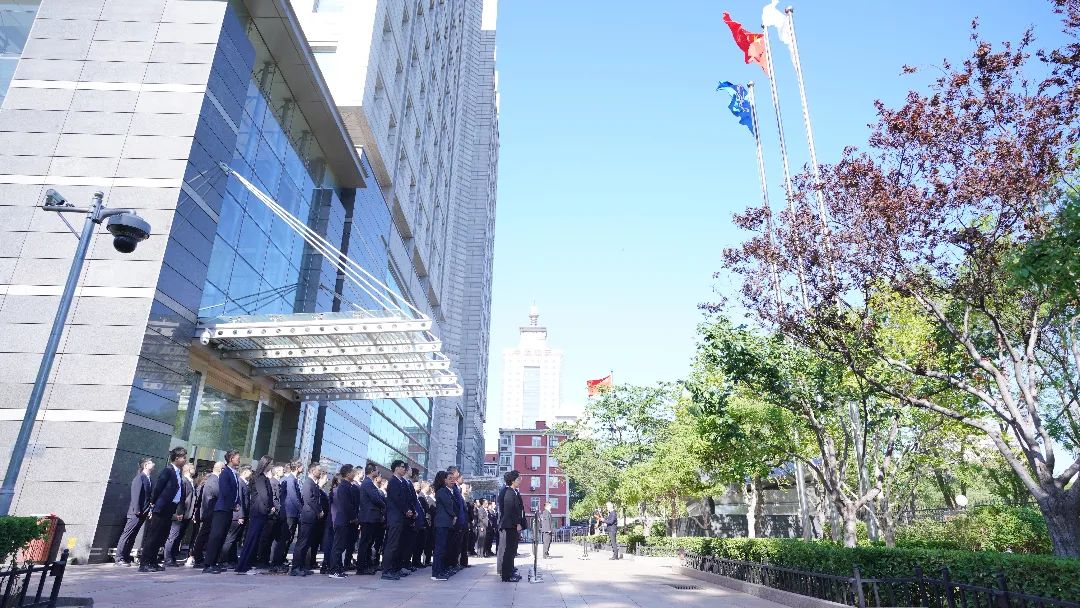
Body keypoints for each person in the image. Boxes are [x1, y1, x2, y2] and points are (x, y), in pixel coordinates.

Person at [139, 447, 189, 572]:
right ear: (176, 458)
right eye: (183, 457)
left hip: (170, 508)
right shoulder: (168, 470)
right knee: (154, 536)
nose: (185, 460)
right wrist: (153, 503)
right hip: (161, 507)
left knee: (161, 536)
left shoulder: (178, 472)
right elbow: (158, 487)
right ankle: (145, 563)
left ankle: (153, 561)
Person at [202, 450, 242, 574]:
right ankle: (208, 564)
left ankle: (214, 562)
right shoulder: (225, 473)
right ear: (231, 458)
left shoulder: (234, 473)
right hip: (222, 509)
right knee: (216, 536)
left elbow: (235, 492)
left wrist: (237, 503)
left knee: (222, 536)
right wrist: (233, 504)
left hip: (228, 509)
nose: (239, 460)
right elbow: (225, 491)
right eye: (237, 458)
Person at [236, 456, 276, 574]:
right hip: (258, 512)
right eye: (271, 463)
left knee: (255, 539)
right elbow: (264, 494)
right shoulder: (259, 477)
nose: (272, 466)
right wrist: (270, 506)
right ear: (266, 464)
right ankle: (243, 566)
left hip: (260, 512)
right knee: (252, 539)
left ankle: (248, 565)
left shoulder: (262, 477)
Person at [114, 457, 154, 566]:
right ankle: (119, 558)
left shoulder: (148, 478)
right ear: (145, 465)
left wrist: (148, 510)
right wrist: (137, 510)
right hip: (136, 513)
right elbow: (136, 495)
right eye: (151, 463)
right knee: (127, 535)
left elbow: (148, 497)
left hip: (143, 513)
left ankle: (126, 557)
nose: (153, 464)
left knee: (133, 536)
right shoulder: (139, 478)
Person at [381, 459, 415, 581]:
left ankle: (395, 568)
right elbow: (397, 499)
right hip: (395, 517)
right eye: (402, 467)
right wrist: (406, 510)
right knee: (392, 544)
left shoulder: (402, 482)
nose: (404, 469)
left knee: (399, 545)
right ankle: (386, 570)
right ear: (396, 468)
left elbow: (408, 498)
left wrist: (411, 510)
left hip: (402, 518)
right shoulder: (393, 481)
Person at [290, 462, 324, 577]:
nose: (320, 472)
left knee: (307, 543)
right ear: (313, 471)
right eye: (319, 470)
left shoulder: (314, 483)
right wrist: (319, 511)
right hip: (308, 516)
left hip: (312, 517)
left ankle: (302, 566)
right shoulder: (308, 483)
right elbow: (309, 499)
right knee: (302, 542)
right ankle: (295, 568)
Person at [271, 460, 304, 573]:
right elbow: (293, 497)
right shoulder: (290, 479)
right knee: (284, 539)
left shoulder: (293, 479)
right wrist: (302, 510)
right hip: (289, 513)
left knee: (288, 539)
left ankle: (280, 561)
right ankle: (277, 562)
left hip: (292, 513)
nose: (303, 468)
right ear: (298, 467)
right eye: (301, 466)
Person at [327, 464, 359, 579]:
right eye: (353, 472)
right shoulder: (344, 486)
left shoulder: (348, 486)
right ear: (348, 474)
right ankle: (334, 570)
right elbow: (347, 505)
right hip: (342, 521)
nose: (355, 473)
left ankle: (339, 569)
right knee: (338, 547)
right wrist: (354, 518)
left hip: (345, 521)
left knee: (341, 547)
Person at [190, 462, 223, 567]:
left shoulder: (213, 479)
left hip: (208, 512)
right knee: (203, 535)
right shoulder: (213, 480)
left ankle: (198, 556)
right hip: (209, 512)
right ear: (221, 469)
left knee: (203, 535)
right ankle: (197, 557)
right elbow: (218, 494)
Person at [163, 463, 196, 567]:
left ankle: (172, 557)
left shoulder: (190, 481)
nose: (194, 469)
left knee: (179, 536)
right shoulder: (183, 481)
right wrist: (179, 512)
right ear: (188, 469)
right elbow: (181, 498)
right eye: (193, 467)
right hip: (180, 514)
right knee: (173, 536)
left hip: (186, 514)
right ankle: (168, 558)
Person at [355, 462, 385, 575]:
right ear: (372, 472)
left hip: (371, 517)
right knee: (365, 543)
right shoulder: (368, 483)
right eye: (376, 470)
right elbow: (376, 499)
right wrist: (384, 505)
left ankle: (366, 565)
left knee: (368, 543)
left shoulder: (369, 483)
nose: (378, 472)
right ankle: (361, 567)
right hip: (368, 517)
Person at [255, 464, 284, 568]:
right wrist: (277, 509)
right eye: (281, 470)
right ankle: (262, 560)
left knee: (270, 538)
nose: (283, 471)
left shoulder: (277, 482)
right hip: (272, 514)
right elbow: (274, 498)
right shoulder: (273, 482)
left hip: (275, 514)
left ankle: (266, 560)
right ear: (276, 472)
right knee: (266, 538)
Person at [498, 470, 524, 583]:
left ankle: (510, 572)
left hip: (512, 524)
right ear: (512, 481)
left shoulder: (513, 492)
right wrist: (517, 523)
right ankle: (507, 575)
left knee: (512, 550)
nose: (520, 481)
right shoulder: (509, 492)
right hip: (510, 525)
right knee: (509, 550)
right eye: (518, 479)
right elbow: (510, 511)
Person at [431, 471, 454, 582]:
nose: (451, 480)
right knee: (439, 549)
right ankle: (436, 573)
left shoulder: (444, 491)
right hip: (441, 523)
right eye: (448, 478)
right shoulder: (441, 491)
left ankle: (441, 570)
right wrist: (454, 515)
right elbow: (449, 505)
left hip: (445, 523)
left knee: (443, 548)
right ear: (443, 480)